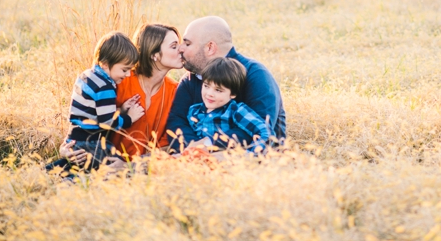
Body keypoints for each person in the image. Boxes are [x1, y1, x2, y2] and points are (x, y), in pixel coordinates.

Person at [58, 23, 183, 167]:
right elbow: (86, 118)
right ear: (154, 54)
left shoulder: (176, 91)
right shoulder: (117, 81)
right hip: (101, 161)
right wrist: (66, 149)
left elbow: (169, 146)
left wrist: (129, 167)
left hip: (144, 172)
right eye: (174, 46)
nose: (181, 49)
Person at [165, 16, 286, 152]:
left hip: (253, 164)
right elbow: (176, 121)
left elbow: (262, 129)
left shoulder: (255, 74)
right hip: (197, 162)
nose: (180, 48)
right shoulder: (191, 79)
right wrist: (193, 150)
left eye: (187, 44)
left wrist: (208, 144)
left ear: (210, 47)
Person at [63, 31, 144, 170]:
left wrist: (121, 109)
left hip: (75, 139)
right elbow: (107, 122)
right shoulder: (105, 87)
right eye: (124, 69)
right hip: (90, 143)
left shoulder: (87, 76)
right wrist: (129, 118)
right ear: (106, 64)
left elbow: (92, 112)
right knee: (116, 167)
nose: (128, 74)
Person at [186, 57, 271, 153]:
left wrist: (252, 154)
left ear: (233, 94)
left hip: (229, 161)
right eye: (206, 86)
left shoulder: (236, 111)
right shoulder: (194, 111)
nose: (209, 93)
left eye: (218, 90)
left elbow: (265, 131)